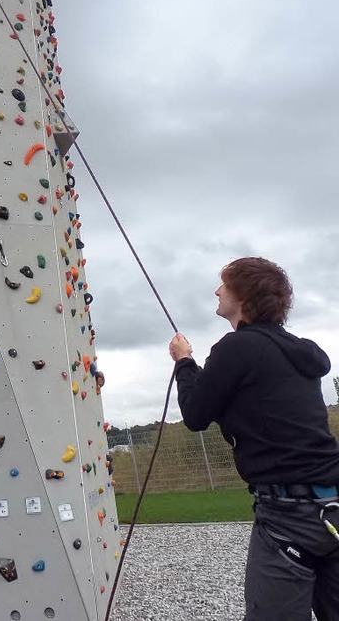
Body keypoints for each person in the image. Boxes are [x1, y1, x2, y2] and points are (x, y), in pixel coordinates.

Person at [169, 257, 339, 621]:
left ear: (243, 294)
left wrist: (184, 363)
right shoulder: (297, 351)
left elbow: (196, 415)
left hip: (287, 515)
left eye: (223, 285)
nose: (217, 291)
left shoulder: (236, 348)